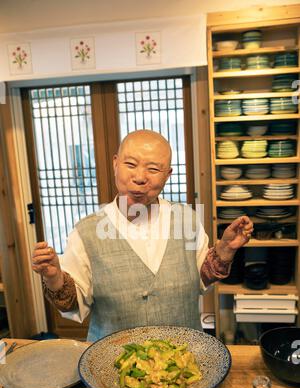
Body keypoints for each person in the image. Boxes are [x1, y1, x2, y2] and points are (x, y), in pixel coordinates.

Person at [32, 130, 253, 341]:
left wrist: (225, 250)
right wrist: (54, 277)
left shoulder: (186, 220)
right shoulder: (86, 232)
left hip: (183, 359)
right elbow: (72, 303)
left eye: (153, 169)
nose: (139, 177)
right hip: (111, 365)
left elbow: (202, 278)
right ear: (115, 164)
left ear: (168, 175)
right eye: (130, 164)